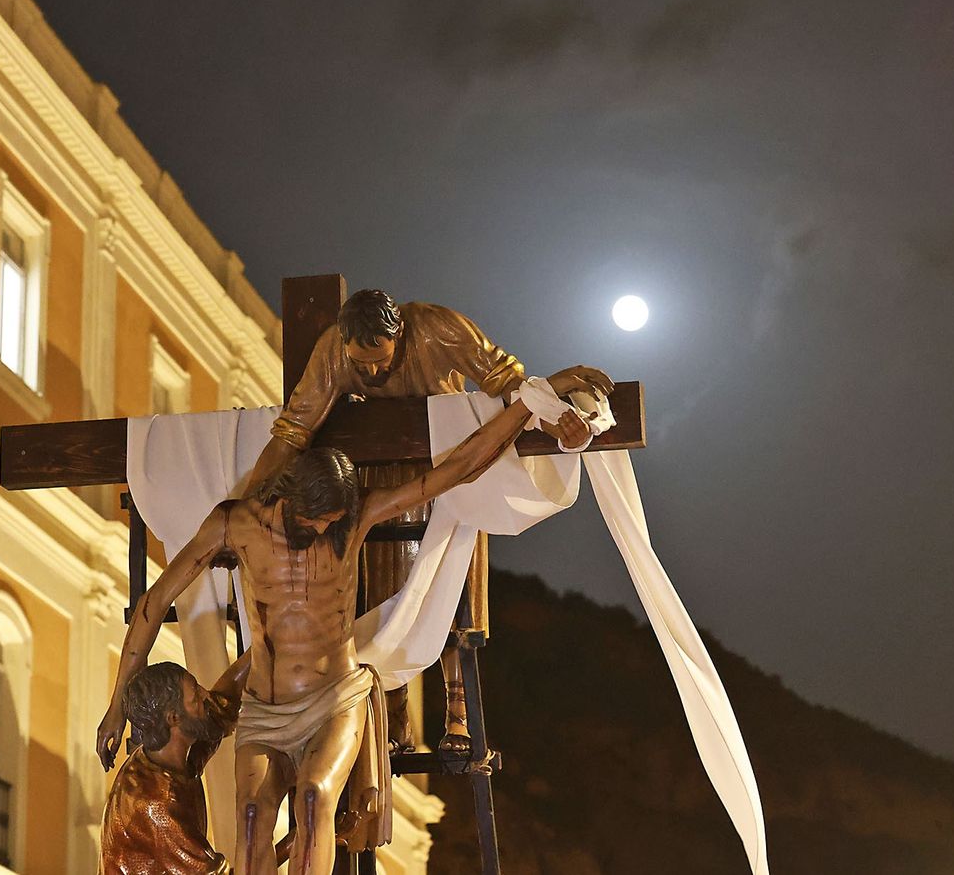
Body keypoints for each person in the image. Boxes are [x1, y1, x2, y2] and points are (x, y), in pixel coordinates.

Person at [97, 366, 603, 875]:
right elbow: (154, 602)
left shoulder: (353, 519)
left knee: (315, 798)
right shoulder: (235, 523)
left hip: (333, 698)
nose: (324, 531)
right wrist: (118, 705)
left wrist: (536, 396)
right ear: (293, 498)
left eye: (333, 523)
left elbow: (459, 469)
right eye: (316, 521)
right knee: (251, 816)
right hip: (264, 707)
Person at [243, 289, 613, 752]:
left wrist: (559, 418)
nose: (372, 373)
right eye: (362, 365)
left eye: (381, 360)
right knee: (383, 595)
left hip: (451, 468)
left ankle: (456, 711)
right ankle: (395, 714)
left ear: (399, 335)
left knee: (453, 591)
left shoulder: (441, 329)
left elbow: (509, 383)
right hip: (382, 477)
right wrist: (249, 502)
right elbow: (293, 430)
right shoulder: (332, 353)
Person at [99, 658, 248, 875]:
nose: (206, 696)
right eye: (196, 698)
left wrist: (265, 643)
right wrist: (297, 839)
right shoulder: (157, 804)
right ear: (174, 718)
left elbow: (222, 705)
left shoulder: (175, 755)